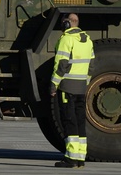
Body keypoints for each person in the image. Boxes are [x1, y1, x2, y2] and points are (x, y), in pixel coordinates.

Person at [50, 13, 95, 168]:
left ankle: (70, 158)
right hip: (81, 87)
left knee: (69, 121)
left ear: (68, 24)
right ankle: (81, 158)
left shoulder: (66, 39)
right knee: (80, 121)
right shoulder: (87, 40)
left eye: (64, 22)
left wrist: (54, 84)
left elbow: (61, 65)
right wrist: (84, 82)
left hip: (67, 87)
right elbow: (91, 65)